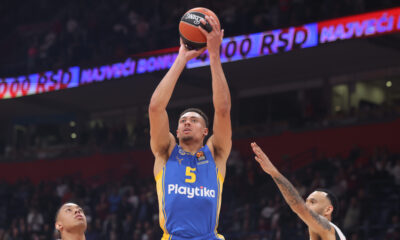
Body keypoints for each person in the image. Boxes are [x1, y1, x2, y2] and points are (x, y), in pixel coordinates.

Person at [149, 15, 231, 240]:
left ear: (206, 132)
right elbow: (156, 108)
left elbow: (222, 110)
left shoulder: (216, 153)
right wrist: (181, 59)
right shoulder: (166, 152)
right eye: (183, 120)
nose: (186, 122)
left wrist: (214, 56)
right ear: (175, 132)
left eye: (194, 120)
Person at [251, 142, 346, 240]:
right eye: (307, 201)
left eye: (313, 202)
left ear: (328, 210)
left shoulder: (328, 228)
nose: (307, 205)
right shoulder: (318, 233)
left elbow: (299, 207)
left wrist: (274, 173)